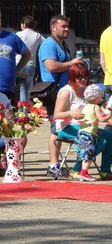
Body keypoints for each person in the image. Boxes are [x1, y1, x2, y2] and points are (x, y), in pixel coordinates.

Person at [52, 63, 112, 180]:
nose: (84, 80)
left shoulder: (87, 91)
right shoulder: (66, 92)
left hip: (85, 126)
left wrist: (106, 114)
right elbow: (56, 115)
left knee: (111, 136)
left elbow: (96, 107)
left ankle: (105, 171)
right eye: (80, 77)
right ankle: (77, 169)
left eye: (86, 77)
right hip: (67, 127)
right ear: (72, 78)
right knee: (98, 140)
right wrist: (71, 114)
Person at [38, 15, 83, 176]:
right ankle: (53, 164)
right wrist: (71, 63)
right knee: (55, 129)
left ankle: (56, 163)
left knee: (58, 127)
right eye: (63, 26)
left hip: (63, 92)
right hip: (53, 92)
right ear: (53, 28)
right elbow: (51, 66)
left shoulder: (62, 45)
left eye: (67, 27)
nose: (66, 29)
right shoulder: (49, 44)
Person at [75, 84, 112, 182]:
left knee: (84, 153)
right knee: (89, 154)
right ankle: (83, 172)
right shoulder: (96, 107)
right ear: (96, 97)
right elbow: (101, 119)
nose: (102, 97)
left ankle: (83, 172)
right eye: (100, 95)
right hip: (89, 135)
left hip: (81, 134)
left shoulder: (86, 106)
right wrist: (110, 115)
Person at [0, 12, 31, 103]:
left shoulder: (12, 37)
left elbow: (27, 54)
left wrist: (16, 69)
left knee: (8, 116)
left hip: (6, 87)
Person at [16, 15, 44, 102]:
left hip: (18, 64)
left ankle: (21, 111)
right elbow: (47, 43)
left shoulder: (18, 34)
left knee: (17, 90)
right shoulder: (38, 36)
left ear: (23, 24)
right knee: (26, 90)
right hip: (31, 65)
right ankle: (24, 110)